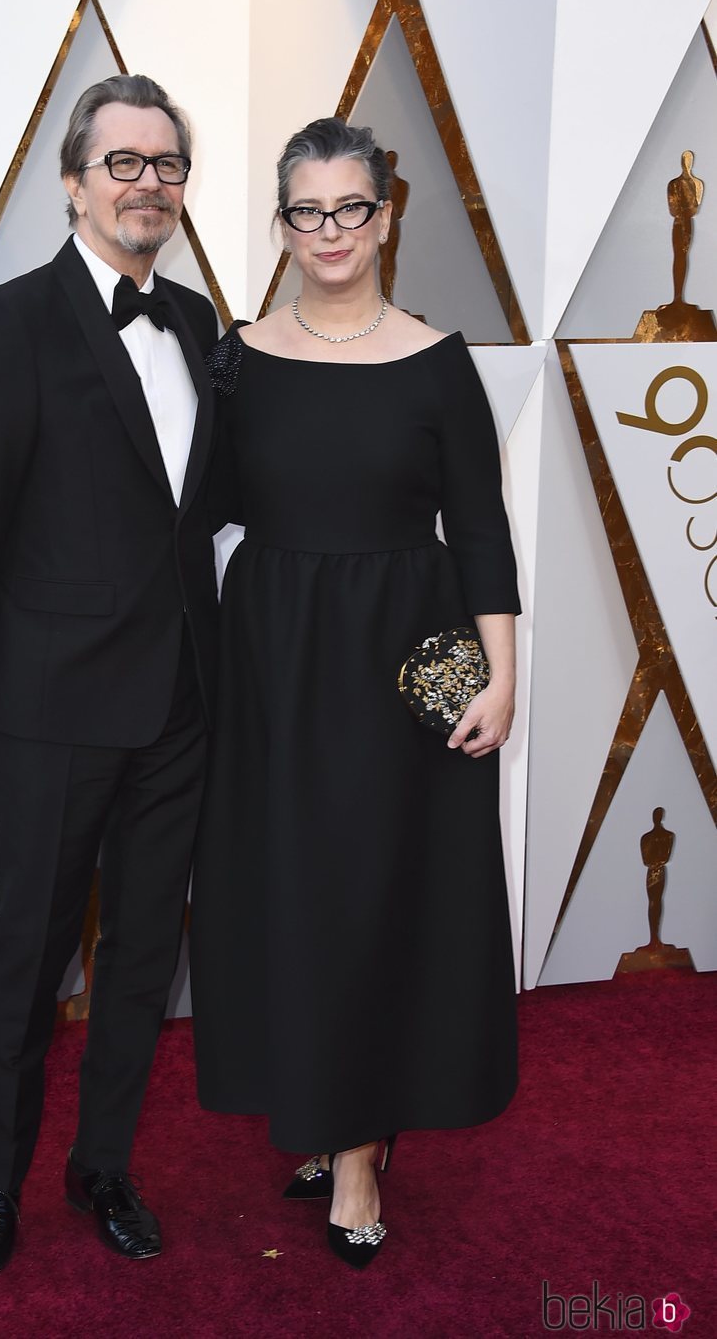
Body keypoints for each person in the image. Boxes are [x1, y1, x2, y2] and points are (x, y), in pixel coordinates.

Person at [190, 117, 520, 1269]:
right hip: (273, 652)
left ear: (385, 216)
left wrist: (500, 677)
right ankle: (322, 1113)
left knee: (385, 892)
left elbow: (478, 530)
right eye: (304, 211)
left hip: (406, 657)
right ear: (280, 226)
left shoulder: (438, 361)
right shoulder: (236, 355)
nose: (327, 231)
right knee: (293, 890)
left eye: (349, 208)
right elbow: (196, 512)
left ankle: (363, 1152)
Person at [0, 74, 220, 1273]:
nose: (148, 183)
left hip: (183, 705)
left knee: (144, 958)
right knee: (31, 956)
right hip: (49, 706)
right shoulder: (11, 321)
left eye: (166, 164)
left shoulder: (200, 323)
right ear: (73, 182)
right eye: (123, 163)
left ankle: (103, 1169)